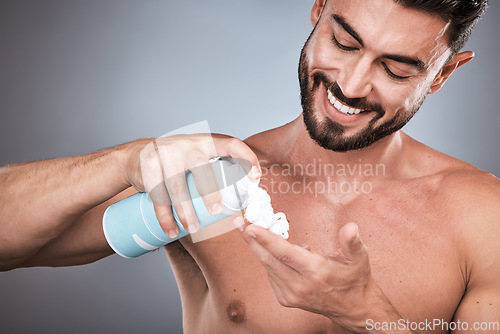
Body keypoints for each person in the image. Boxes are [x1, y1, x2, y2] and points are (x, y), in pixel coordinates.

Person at [1, 0, 499, 332]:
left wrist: (367, 316)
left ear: (442, 74)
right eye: (344, 43)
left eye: (394, 69)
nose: (350, 83)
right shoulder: (211, 179)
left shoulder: (483, 216)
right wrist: (126, 160)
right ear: (319, 9)